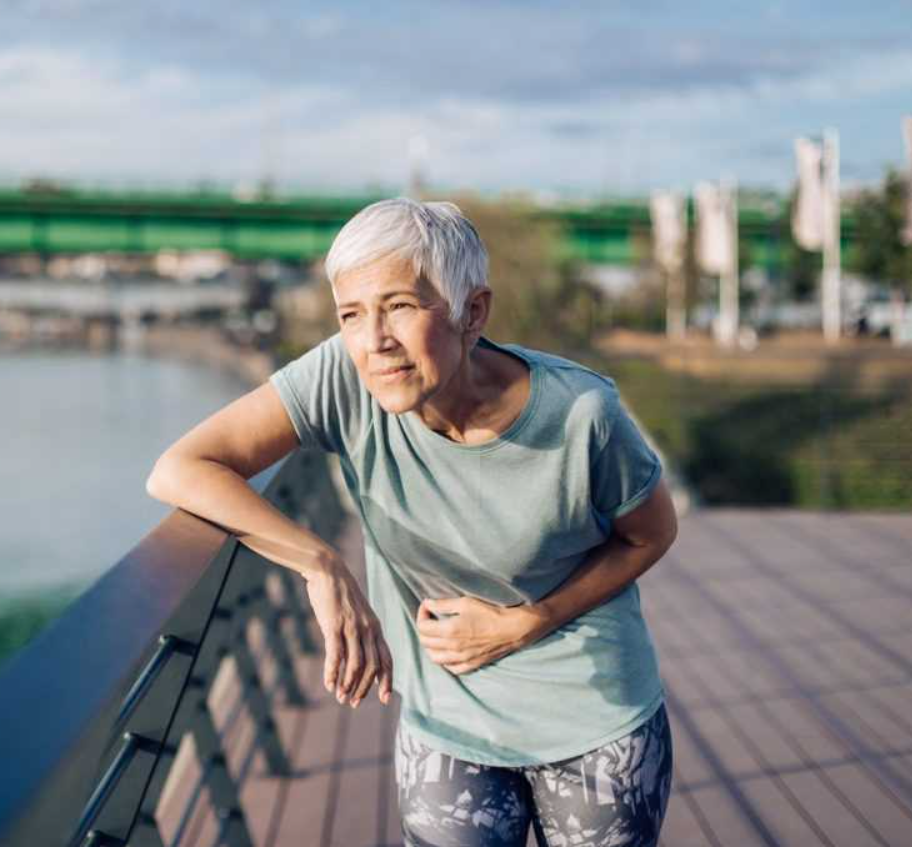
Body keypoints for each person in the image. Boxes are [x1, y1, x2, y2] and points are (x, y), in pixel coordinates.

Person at [146, 198, 678, 847]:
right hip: (448, 723)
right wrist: (319, 562)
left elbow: (652, 532)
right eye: (351, 314)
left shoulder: (582, 413)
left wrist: (525, 623)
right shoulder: (343, 377)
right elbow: (180, 467)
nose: (375, 341)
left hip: (591, 717)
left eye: (399, 305)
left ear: (471, 312)